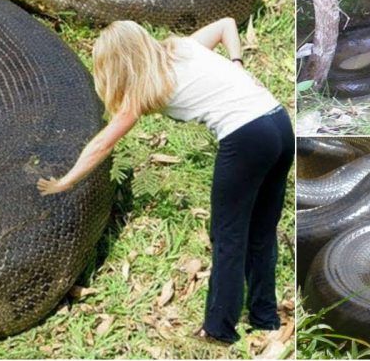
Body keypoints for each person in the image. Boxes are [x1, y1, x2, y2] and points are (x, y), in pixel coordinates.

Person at [36, 18, 294, 344]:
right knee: (261, 230)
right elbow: (228, 24)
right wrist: (237, 63)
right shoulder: (183, 47)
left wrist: (67, 180)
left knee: (227, 235)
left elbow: (102, 143)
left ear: (116, 64)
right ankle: (264, 316)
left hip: (247, 137)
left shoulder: (142, 92)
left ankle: (219, 328)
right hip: (280, 123)